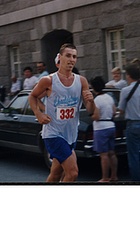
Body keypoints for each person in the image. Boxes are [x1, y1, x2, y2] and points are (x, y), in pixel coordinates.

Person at [28, 43, 95, 183]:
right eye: (68, 55)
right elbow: (32, 96)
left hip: (70, 134)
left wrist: (91, 101)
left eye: (74, 56)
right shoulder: (48, 80)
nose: (71, 59)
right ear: (60, 57)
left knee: (56, 174)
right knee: (73, 173)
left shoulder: (81, 81)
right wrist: (39, 113)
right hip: (53, 134)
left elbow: (91, 111)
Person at [90, 76, 118, 182]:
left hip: (101, 128)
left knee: (104, 155)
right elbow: (114, 112)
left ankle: (105, 178)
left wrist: (91, 115)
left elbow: (96, 117)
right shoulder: (109, 97)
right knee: (112, 153)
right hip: (111, 126)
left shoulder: (97, 100)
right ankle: (114, 176)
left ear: (94, 88)